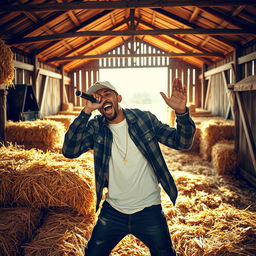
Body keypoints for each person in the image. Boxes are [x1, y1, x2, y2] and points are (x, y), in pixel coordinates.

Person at [62, 78, 196, 256]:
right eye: (98, 97)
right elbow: (69, 151)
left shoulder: (144, 119)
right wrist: (86, 111)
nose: (103, 99)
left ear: (119, 98)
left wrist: (181, 113)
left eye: (107, 94)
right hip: (113, 210)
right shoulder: (96, 127)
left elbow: (182, 142)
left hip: (149, 209)